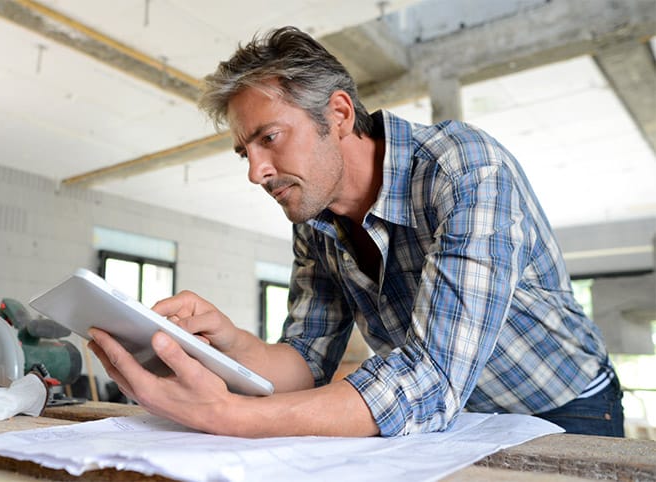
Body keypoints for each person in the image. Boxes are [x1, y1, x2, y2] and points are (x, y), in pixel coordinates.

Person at [87, 26, 624, 438]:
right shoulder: (315, 223)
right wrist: (232, 345)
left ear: (339, 113)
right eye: (244, 152)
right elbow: (306, 359)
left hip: (566, 405)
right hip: (461, 424)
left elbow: (429, 381)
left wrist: (233, 415)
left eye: (269, 138)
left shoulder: (464, 170)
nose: (256, 172)